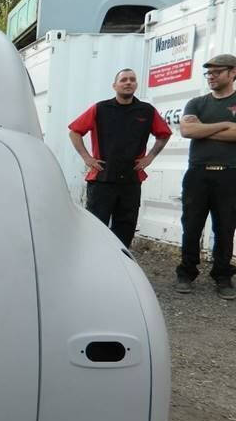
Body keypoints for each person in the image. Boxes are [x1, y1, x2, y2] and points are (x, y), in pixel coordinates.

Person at [68, 69, 172, 249]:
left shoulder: (146, 111)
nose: (128, 82)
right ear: (114, 86)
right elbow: (75, 132)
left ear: (136, 85)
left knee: (125, 228)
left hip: (131, 181)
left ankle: (122, 262)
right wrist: (87, 158)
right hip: (102, 179)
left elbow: (164, 134)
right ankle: (94, 260)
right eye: (123, 80)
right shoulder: (100, 109)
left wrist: (150, 157)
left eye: (132, 79)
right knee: (95, 228)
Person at [176, 54, 236, 300]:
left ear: (233, 73)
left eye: (217, 72)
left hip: (230, 174)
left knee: (225, 227)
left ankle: (222, 276)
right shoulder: (197, 102)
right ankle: (186, 273)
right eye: (208, 73)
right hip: (197, 174)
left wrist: (203, 130)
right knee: (191, 225)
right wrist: (225, 125)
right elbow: (187, 129)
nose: (211, 76)